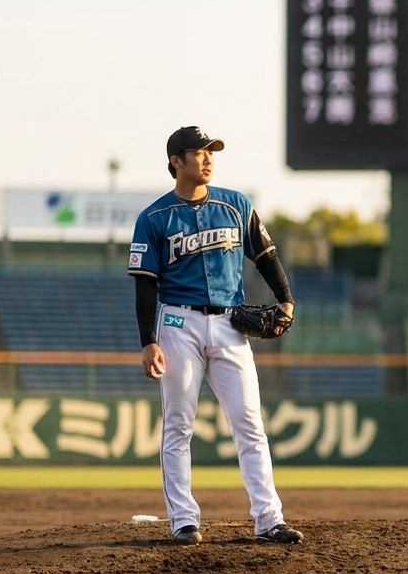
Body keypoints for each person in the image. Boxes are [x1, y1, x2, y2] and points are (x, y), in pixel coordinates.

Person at [128, 126, 303, 545]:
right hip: (177, 324)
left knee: (249, 424)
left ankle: (269, 519)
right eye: (198, 153)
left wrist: (285, 300)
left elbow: (265, 255)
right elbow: (145, 283)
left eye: (211, 153)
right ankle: (183, 520)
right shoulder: (153, 218)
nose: (207, 159)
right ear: (176, 161)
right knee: (179, 424)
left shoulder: (236, 204)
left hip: (230, 324)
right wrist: (147, 340)